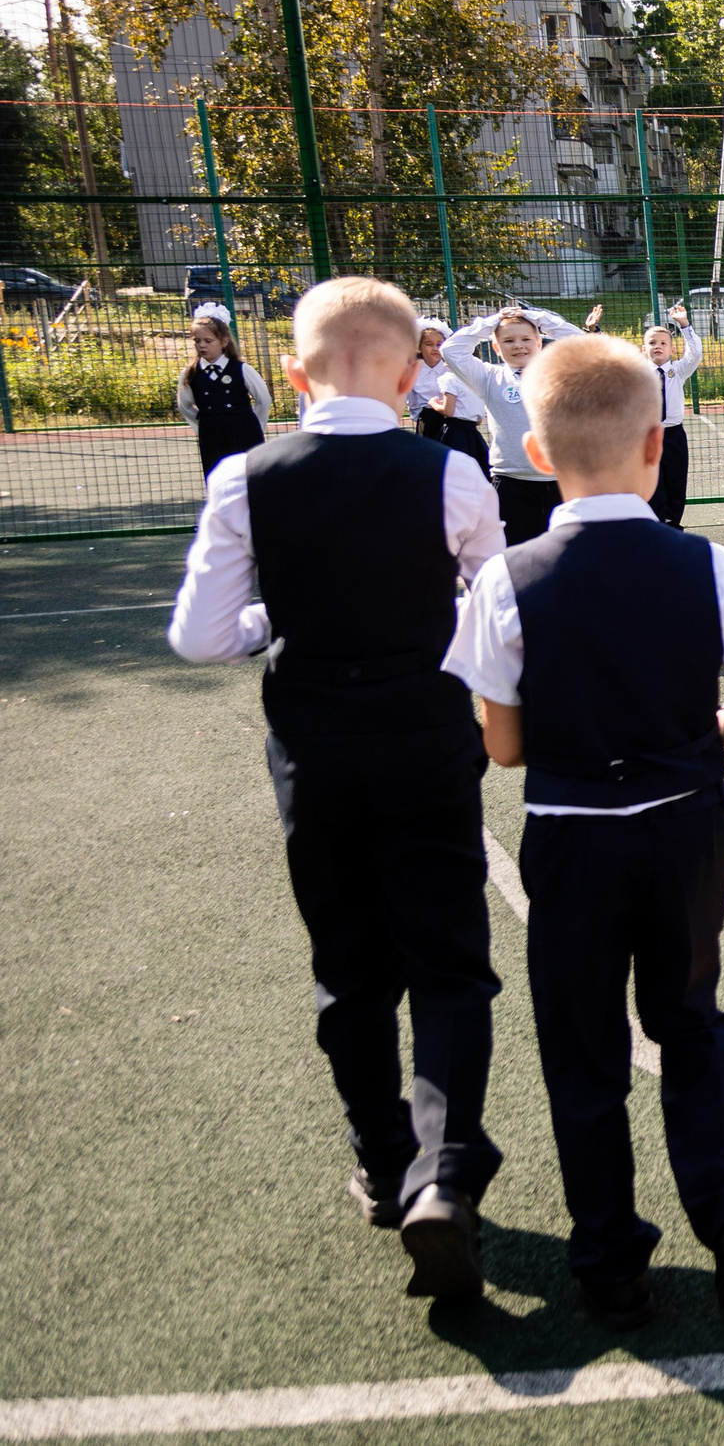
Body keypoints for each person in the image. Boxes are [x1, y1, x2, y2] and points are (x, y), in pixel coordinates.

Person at [441, 334, 724, 1330]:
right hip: (685, 822)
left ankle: (607, 1261)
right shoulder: (703, 561)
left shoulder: (505, 579)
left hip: (571, 833)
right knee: (691, 1018)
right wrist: (699, 733)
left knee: (584, 1046)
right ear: (656, 444)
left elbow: (502, 748)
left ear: (538, 455)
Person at [166, 275, 506, 1301]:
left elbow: (201, 637)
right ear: (412, 373)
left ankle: (385, 1160)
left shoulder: (245, 480)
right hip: (426, 735)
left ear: (299, 375)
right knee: (450, 962)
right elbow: (495, 620)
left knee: (349, 968)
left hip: (314, 745)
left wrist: (279, 625)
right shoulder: (451, 478)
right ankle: (447, 1174)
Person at [441, 302, 605, 544]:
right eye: (508, 341)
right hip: (510, 483)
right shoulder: (488, 377)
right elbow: (451, 350)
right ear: (495, 347)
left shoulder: (562, 372)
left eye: (526, 339)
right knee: (514, 555)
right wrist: (492, 322)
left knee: (568, 553)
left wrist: (536, 317)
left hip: (563, 481)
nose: (518, 345)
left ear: (539, 343)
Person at [174, 303, 270, 475]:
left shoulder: (242, 369)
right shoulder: (191, 372)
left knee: (247, 477)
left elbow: (264, 400)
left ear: (224, 341)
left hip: (244, 431)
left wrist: (253, 425)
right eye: (197, 341)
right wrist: (204, 423)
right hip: (211, 435)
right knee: (217, 476)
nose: (202, 345)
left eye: (208, 341)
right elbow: (184, 405)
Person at [641, 307, 704, 526]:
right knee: (651, 485)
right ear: (643, 349)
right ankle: (656, 527)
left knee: (676, 482)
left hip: (673, 435)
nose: (657, 346)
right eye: (652, 343)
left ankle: (673, 525)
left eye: (663, 343)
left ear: (671, 349)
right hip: (646, 436)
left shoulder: (678, 371)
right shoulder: (637, 372)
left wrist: (684, 324)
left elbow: (695, 353)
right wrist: (595, 331)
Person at [413, 320, 493, 482]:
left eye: (439, 344)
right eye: (429, 344)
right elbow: (412, 400)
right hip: (429, 419)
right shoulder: (412, 368)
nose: (435, 348)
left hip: (455, 419)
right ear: (419, 347)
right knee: (430, 467)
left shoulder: (451, 366)